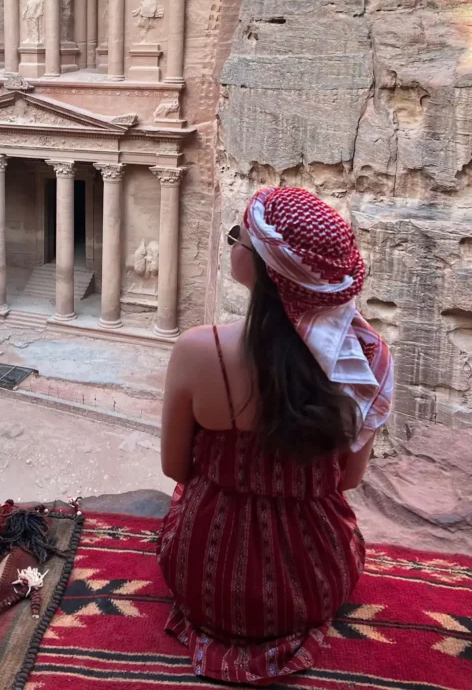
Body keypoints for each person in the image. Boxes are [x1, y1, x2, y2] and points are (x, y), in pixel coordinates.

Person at [158, 187, 394, 685]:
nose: (231, 244)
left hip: (204, 578)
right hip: (313, 579)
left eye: (237, 237)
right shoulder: (366, 358)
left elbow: (176, 469)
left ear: (263, 268)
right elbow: (348, 480)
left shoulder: (198, 350)